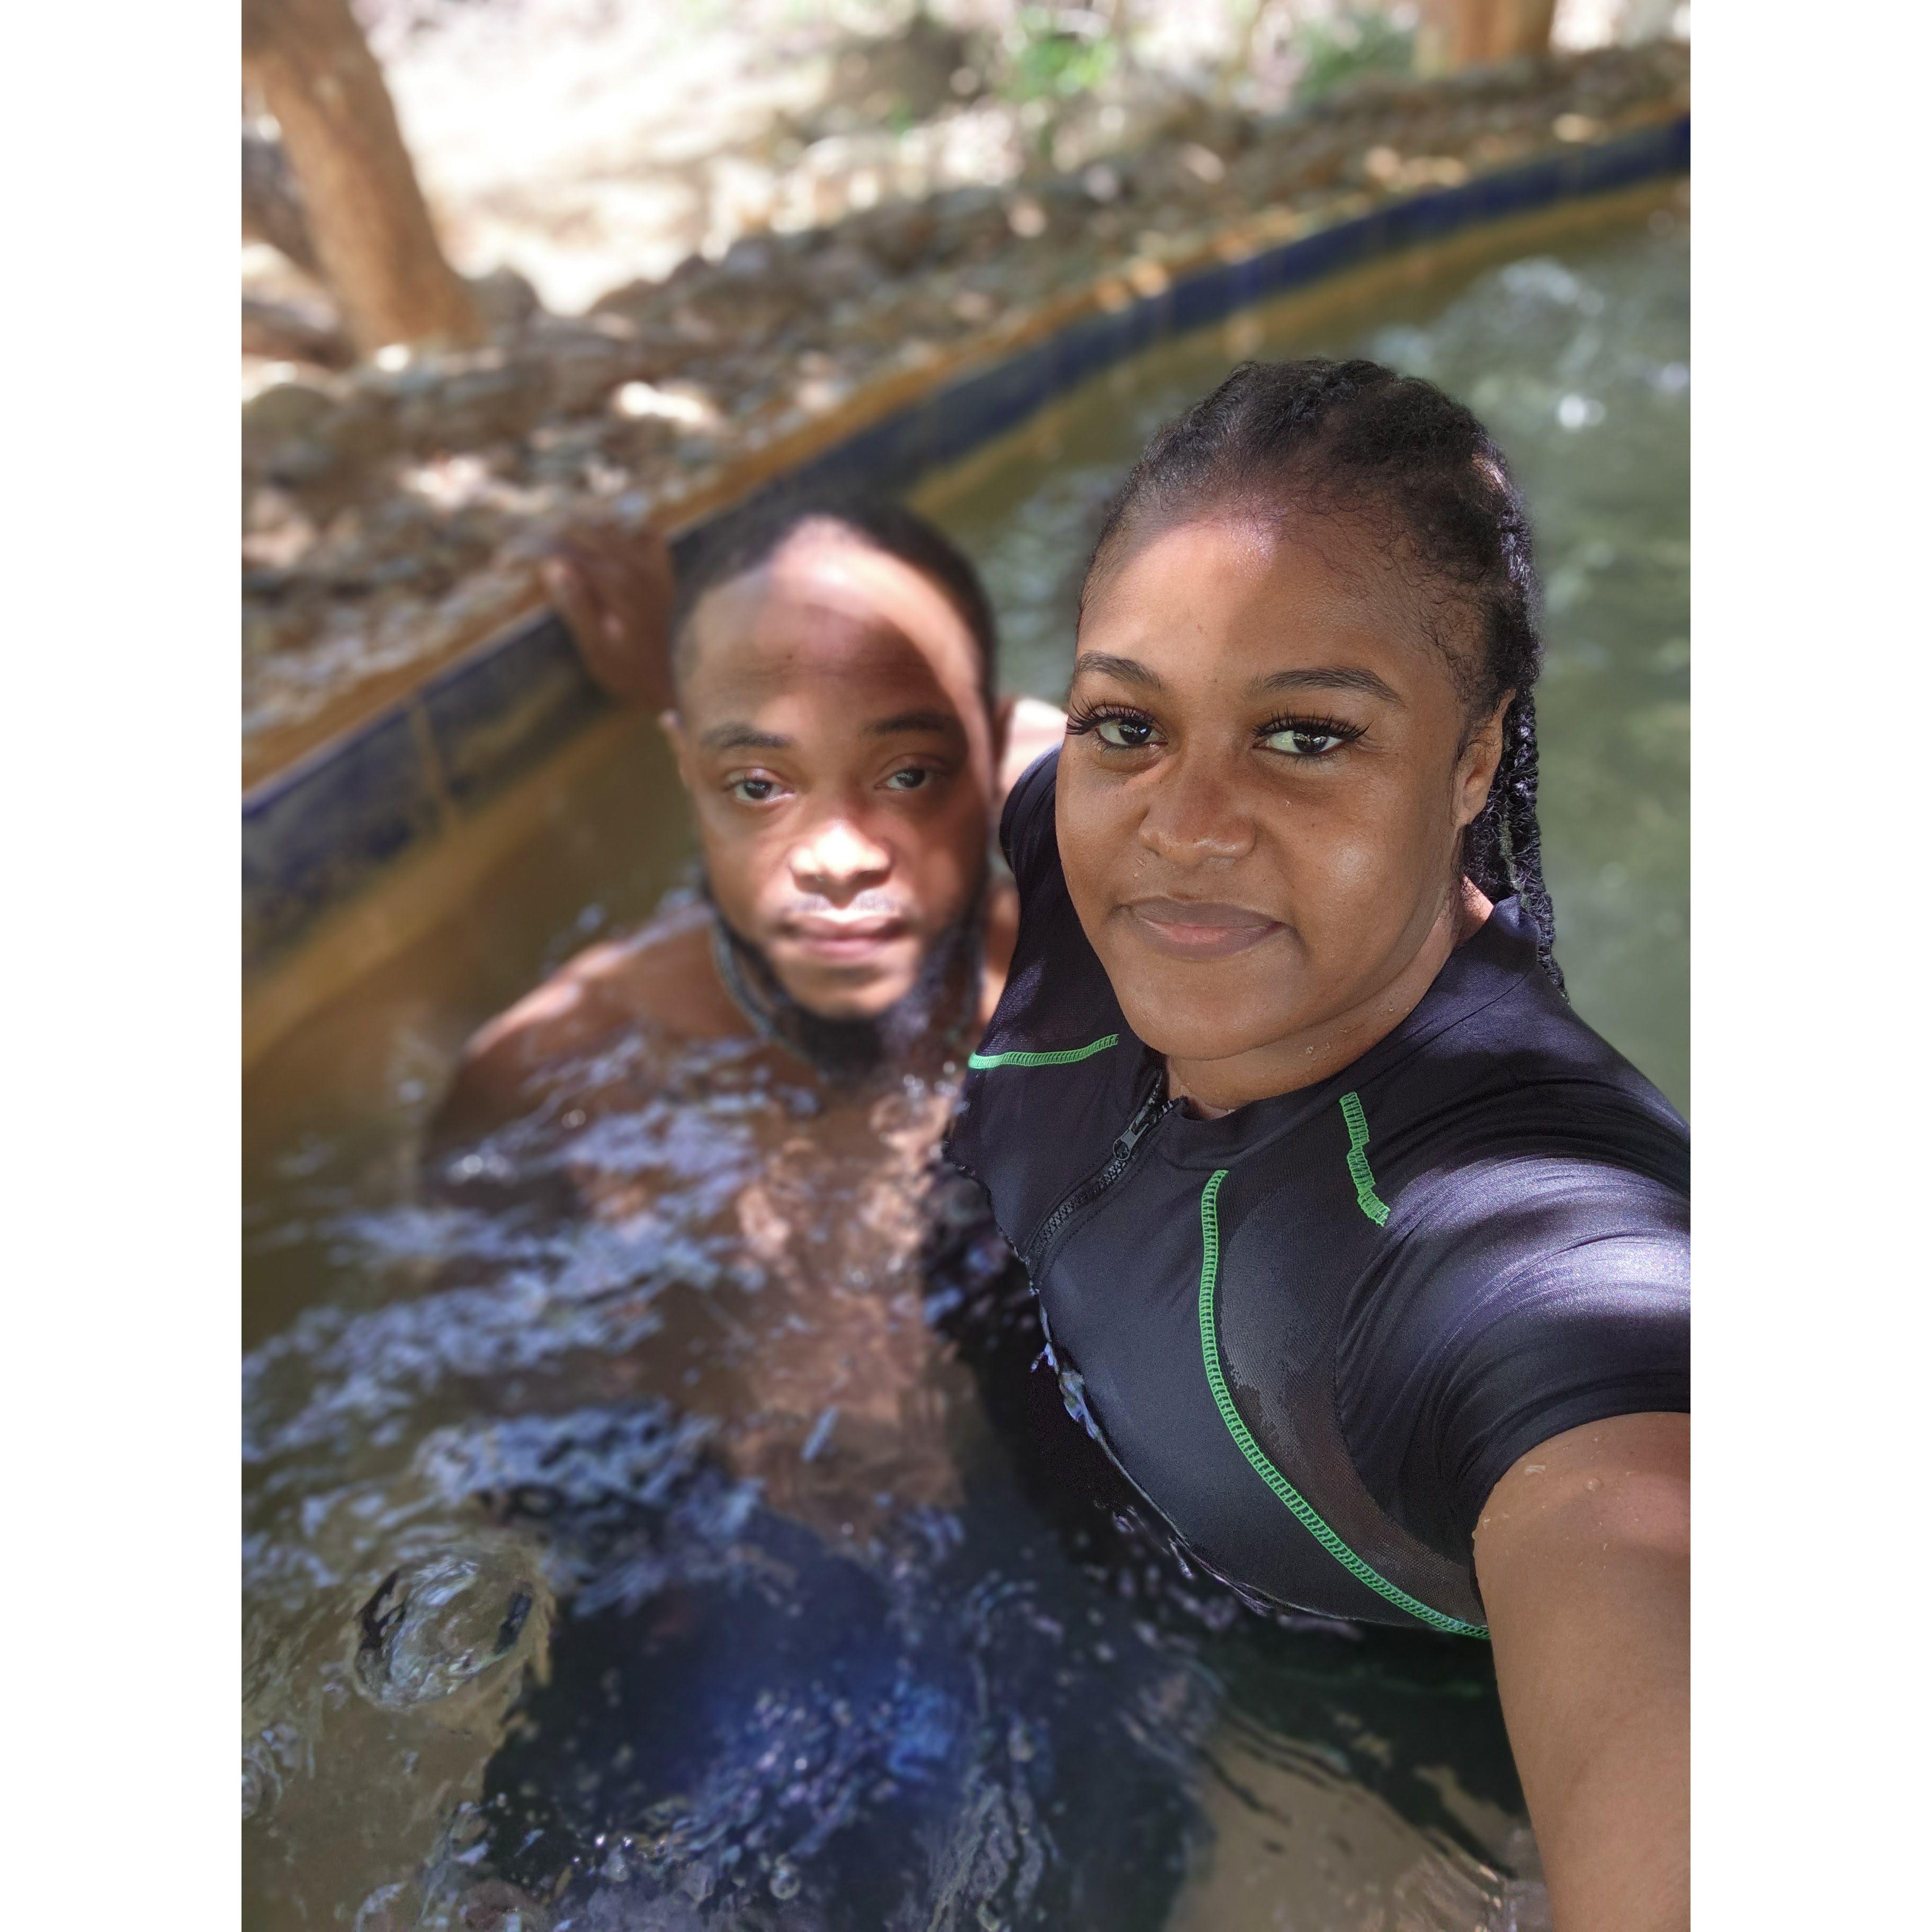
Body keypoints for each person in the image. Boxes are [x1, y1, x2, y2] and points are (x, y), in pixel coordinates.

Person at [944, 359, 1690, 1932]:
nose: (1185, 821)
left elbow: (1638, 1529)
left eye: (1304, 738)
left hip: (1326, 1773)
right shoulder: (1073, 840)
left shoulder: (1509, 1245)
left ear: (1475, 761)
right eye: (1129, 720)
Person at [419, 500, 1209, 1927]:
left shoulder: (1098, 938)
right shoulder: (553, 1078)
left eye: (908, 772)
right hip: (747, 1586)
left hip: (1076, 1531)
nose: (839, 854)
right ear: (685, 767)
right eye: (756, 782)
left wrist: (742, 699)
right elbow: (519, 1476)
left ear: (993, 761)